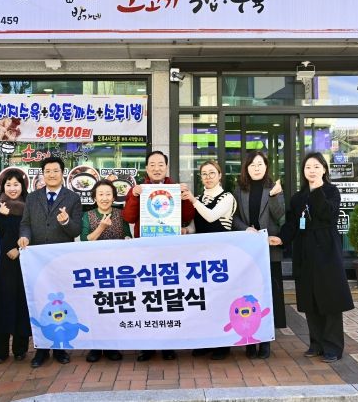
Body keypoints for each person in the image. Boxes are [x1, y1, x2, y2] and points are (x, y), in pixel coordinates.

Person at [269, 152, 354, 363]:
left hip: (326, 252)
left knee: (330, 300)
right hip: (305, 252)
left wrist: (317, 191)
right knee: (310, 299)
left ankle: (333, 347)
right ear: (303, 171)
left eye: (316, 167)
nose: (312, 171)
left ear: (324, 169)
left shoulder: (331, 191)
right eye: (308, 167)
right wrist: (281, 239)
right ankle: (316, 344)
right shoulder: (298, 197)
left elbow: (328, 214)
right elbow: (292, 224)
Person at [122, 150, 195, 362]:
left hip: (170, 252)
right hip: (145, 251)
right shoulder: (138, 189)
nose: (156, 168)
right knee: (146, 298)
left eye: (160, 164)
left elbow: (188, 216)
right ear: (146, 168)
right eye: (152, 164)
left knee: (168, 297)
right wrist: (134, 196)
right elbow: (128, 217)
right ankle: (147, 345)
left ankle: (168, 345)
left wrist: (185, 197)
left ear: (166, 167)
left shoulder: (175, 188)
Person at [18, 156, 82, 367]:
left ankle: (60, 348)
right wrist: (24, 236)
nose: (52, 174)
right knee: (39, 302)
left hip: (60, 260)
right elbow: (25, 223)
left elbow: (76, 230)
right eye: (47, 171)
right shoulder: (32, 197)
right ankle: (42, 350)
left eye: (55, 171)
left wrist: (66, 221)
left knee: (61, 303)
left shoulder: (72, 198)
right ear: (42, 174)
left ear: (62, 173)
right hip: (37, 260)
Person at [232, 151, 286, 359]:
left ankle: (265, 341)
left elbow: (280, 216)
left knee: (267, 296)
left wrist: (274, 196)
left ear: (266, 167)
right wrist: (245, 228)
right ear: (246, 168)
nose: (256, 168)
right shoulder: (239, 189)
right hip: (247, 251)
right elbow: (234, 217)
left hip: (269, 250)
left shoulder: (274, 188)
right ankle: (250, 340)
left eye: (260, 164)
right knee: (248, 297)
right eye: (252, 164)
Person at [182, 160, 237, 360]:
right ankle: (207, 342)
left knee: (221, 300)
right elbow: (196, 226)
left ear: (220, 175)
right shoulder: (199, 198)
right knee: (204, 300)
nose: (208, 177)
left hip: (221, 256)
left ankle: (223, 345)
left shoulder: (227, 197)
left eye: (212, 173)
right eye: (204, 173)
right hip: (202, 256)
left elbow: (212, 217)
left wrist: (192, 200)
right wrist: (186, 230)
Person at [80, 179, 132, 362]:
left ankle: (111, 346)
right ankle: (95, 347)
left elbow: (127, 235)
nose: (104, 198)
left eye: (108, 194)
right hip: (95, 269)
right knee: (95, 307)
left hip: (116, 270)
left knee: (113, 307)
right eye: (100, 194)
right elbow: (85, 240)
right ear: (94, 197)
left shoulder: (121, 214)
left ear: (114, 197)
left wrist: (128, 240)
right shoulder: (87, 216)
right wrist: (101, 227)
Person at [0, 168, 31, 365]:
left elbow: (33, 232)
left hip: (23, 262)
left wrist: (19, 250)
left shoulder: (29, 207)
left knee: (22, 303)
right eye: (8, 184)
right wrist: (1, 217)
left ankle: (20, 349)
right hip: (2, 265)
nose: (12, 188)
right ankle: (0, 351)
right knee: (1, 305)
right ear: (2, 186)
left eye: (16, 184)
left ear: (23, 186)